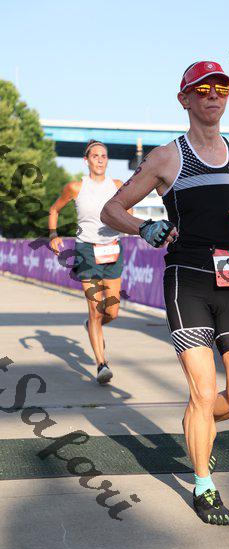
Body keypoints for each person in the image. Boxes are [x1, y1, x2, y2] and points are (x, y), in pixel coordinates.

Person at [101, 60, 229, 525]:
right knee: (203, 391)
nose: (214, 95)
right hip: (187, 282)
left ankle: (198, 424)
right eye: (204, 89)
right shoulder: (166, 157)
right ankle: (204, 485)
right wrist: (143, 226)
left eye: (221, 89)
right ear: (185, 99)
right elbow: (113, 209)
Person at [48, 139, 129, 384]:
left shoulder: (118, 186)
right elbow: (54, 210)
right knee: (95, 309)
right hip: (86, 251)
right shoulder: (75, 187)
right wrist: (53, 235)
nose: (100, 160)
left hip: (112, 249)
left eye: (104, 156)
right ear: (86, 160)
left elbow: (128, 212)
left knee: (111, 312)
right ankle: (102, 364)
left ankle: (92, 325)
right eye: (95, 156)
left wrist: (131, 220)